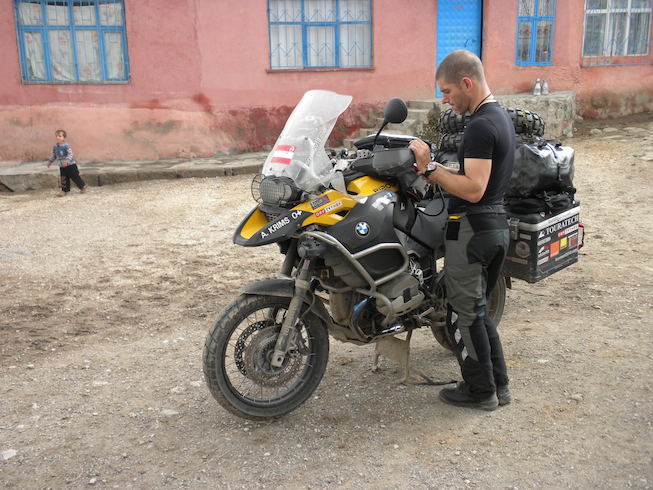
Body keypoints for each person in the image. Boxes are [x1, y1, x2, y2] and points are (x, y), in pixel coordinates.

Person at [409, 50, 515, 411]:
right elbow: (477, 178)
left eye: (447, 91)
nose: (444, 99)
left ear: (467, 83)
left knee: (463, 313)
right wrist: (437, 170)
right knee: (478, 311)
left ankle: (479, 391)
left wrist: (429, 168)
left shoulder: (480, 126)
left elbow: (473, 188)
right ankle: (499, 386)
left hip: (472, 231)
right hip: (494, 227)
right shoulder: (499, 117)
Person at [47, 129, 87, 197]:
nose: (57, 137)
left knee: (75, 177)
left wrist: (66, 161)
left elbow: (70, 154)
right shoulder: (55, 146)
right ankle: (64, 190)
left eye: (60, 136)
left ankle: (82, 186)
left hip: (70, 165)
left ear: (64, 138)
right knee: (64, 178)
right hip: (62, 166)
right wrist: (50, 161)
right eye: (56, 136)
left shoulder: (66, 146)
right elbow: (54, 155)